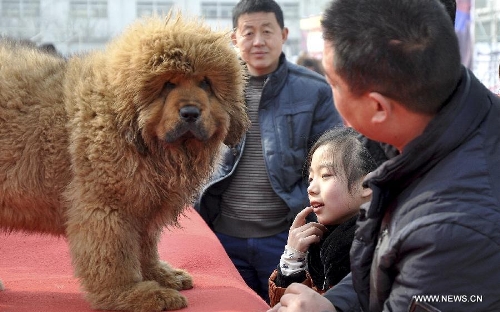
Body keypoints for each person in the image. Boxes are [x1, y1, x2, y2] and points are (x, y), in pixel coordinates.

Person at [269, 0, 500, 311]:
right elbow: (384, 271)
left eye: (334, 84)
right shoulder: (435, 121)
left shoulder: (452, 225)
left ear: (377, 107)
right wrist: (335, 304)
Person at [195, 0, 343, 303]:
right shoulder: (211, 91)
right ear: (234, 38)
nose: (258, 41)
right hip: (221, 237)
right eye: (248, 32)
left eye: (267, 31)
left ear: (284, 34)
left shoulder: (314, 90)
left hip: (283, 238)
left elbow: (331, 162)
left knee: (283, 305)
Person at [268, 127, 376, 307]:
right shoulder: (319, 245)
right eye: (311, 178)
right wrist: (292, 262)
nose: (311, 188)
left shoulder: (381, 249)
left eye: (326, 175)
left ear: (367, 184)